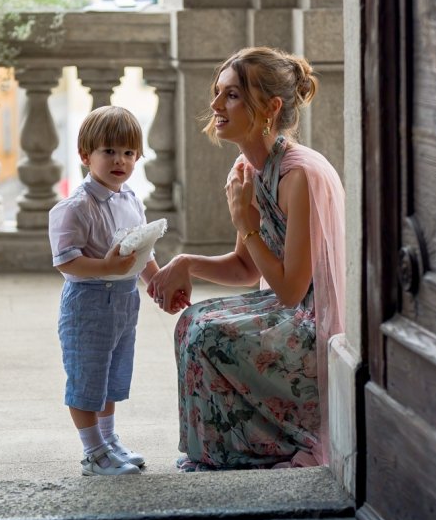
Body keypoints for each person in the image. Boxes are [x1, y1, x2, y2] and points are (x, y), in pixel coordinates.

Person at [148, 46, 345, 471]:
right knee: (190, 324)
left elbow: (293, 290)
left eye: (232, 95)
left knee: (209, 337)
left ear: (271, 107)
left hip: (315, 324)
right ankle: (216, 453)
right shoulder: (246, 169)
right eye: (218, 93)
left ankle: (255, 451)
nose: (216, 105)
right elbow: (246, 268)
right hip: (285, 305)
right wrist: (186, 263)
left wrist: (245, 220)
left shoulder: (300, 176)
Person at [48, 105, 187, 477]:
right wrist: (107, 267)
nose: (119, 160)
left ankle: (108, 440)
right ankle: (93, 452)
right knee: (87, 376)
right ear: (85, 155)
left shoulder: (131, 201)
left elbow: (143, 252)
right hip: (88, 303)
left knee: (112, 374)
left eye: (128, 152)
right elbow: (66, 261)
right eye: (108, 151)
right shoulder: (75, 208)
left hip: (124, 302)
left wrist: (159, 285)